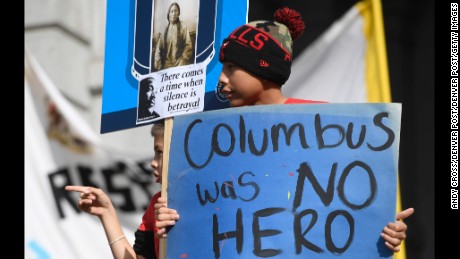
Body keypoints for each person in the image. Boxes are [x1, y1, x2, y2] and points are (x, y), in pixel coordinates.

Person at [154, 7, 415, 254]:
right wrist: (170, 215)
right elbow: (202, 210)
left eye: (232, 68)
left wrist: (384, 230)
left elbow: (353, 205)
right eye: (223, 68)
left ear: (263, 69)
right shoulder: (208, 135)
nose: (222, 78)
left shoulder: (327, 125)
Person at [65, 121, 171, 259]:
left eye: (160, 152)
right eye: (155, 153)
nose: (153, 162)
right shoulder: (156, 204)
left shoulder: (207, 202)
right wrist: (106, 212)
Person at [153, 2, 193, 71]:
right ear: (169, 14)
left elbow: (188, 46)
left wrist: (183, 61)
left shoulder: (183, 27)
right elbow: (159, 49)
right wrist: (158, 65)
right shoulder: (164, 29)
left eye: (176, 11)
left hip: (179, 63)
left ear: (178, 13)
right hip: (166, 65)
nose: (174, 13)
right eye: (172, 11)